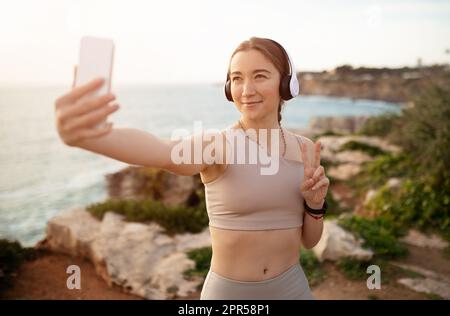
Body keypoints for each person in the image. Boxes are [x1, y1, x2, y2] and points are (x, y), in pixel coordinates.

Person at [54, 36, 330, 300]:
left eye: (259, 76)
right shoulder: (218, 145)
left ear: (285, 84)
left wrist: (314, 205)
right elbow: (164, 152)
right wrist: (93, 137)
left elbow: (310, 241)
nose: (246, 90)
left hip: (293, 290)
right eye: (236, 78)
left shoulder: (304, 149)